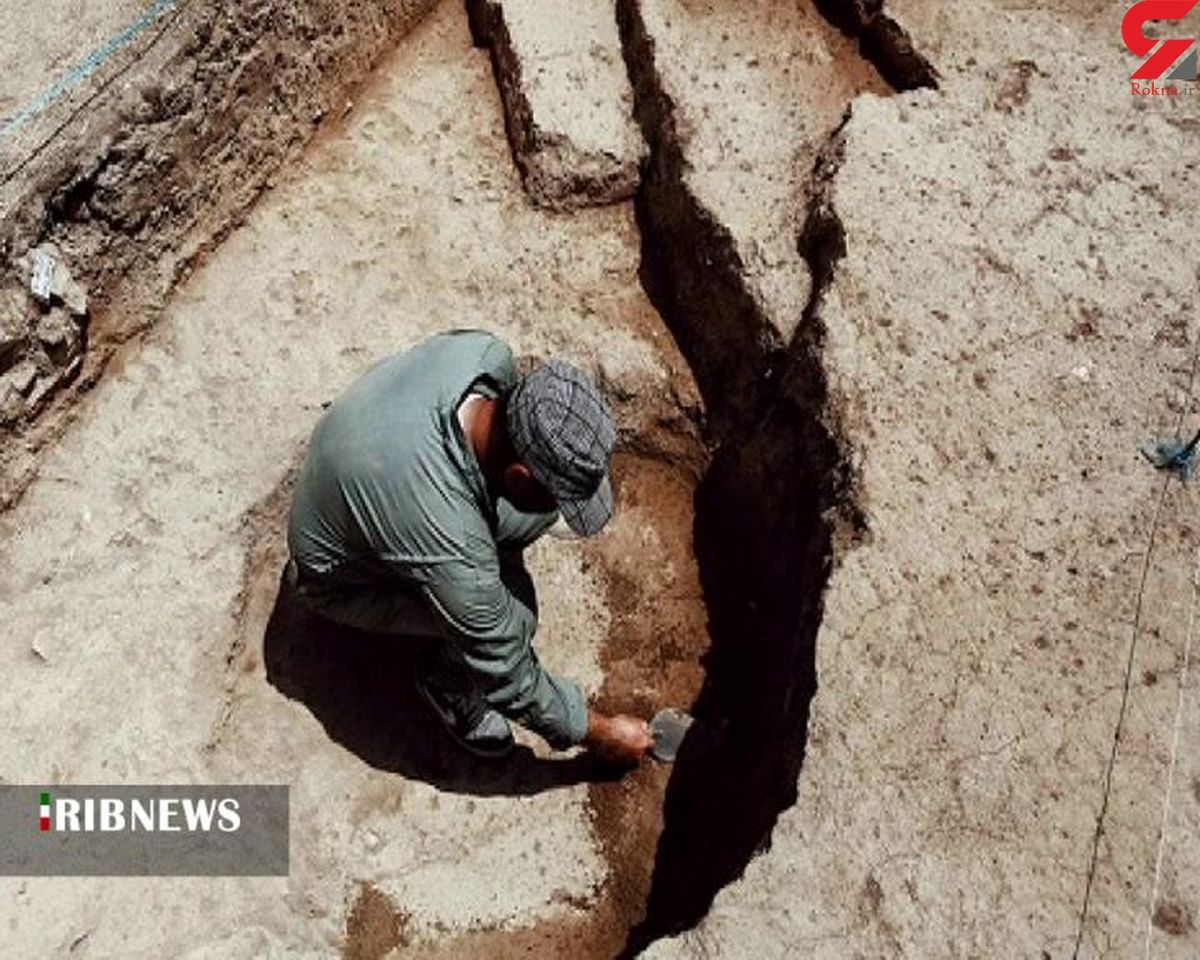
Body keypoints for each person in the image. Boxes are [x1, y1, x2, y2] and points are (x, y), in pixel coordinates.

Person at [285, 329, 653, 764]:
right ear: (518, 476)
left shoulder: (483, 354)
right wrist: (603, 733)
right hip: (338, 579)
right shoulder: (453, 540)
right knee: (514, 618)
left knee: (525, 520)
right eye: (559, 495)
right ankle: (446, 684)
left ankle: (512, 519)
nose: (565, 510)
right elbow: (511, 677)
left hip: (365, 455)